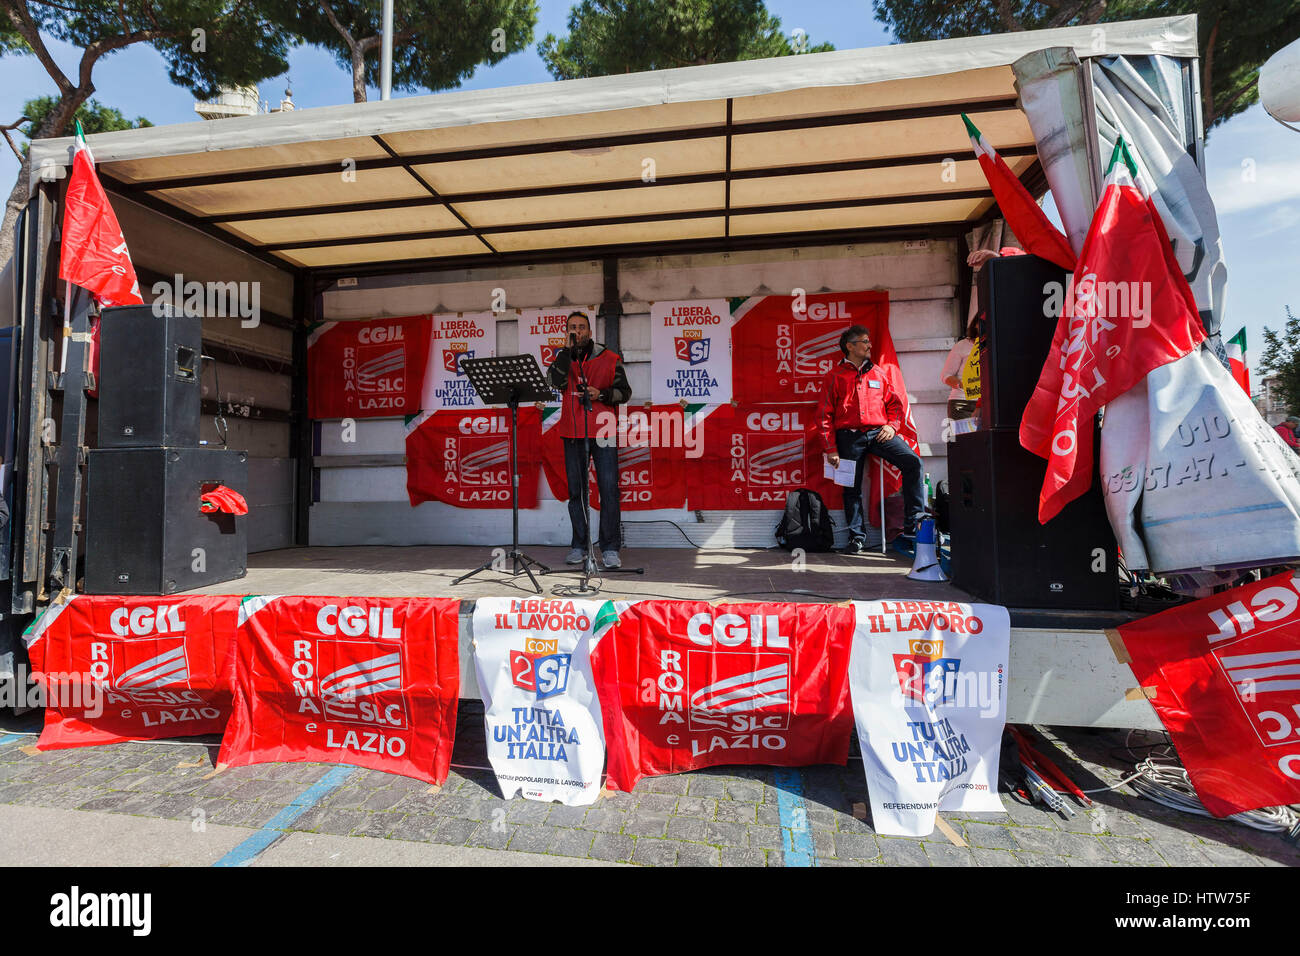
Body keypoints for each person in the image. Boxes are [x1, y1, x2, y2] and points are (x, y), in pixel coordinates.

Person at [815, 324, 927, 553]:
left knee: (913, 462)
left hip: (879, 434)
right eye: (864, 342)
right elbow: (824, 415)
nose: (869, 345)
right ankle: (857, 538)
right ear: (850, 346)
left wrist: (893, 426)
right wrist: (831, 449)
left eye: (869, 341)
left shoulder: (878, 373)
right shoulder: (834, 376)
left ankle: (913, 524)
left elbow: (895, 405)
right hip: (848, 438)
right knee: (851, 488)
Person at [545, 311, 631, 568]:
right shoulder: (562, 358)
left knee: (609, 490)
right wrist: (565, 352)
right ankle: (579, 545)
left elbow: (624, 393)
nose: (577, 332)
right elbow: (554, 382)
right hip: (572, 431)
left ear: (590, 332)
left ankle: (610, 548)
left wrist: (601, 393)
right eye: (572, 328)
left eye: (582, 327)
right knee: (576, 492)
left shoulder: (609, 357)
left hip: (603, 430)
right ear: (567, 331)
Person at [940, 316, 980, 422]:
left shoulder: (994, 345)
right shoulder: (962, 345)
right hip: (962, 403)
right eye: (982, 323)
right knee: (963, 439)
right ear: (975, 325)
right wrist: (962, 384)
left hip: (989, 405)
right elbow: (946, 376)